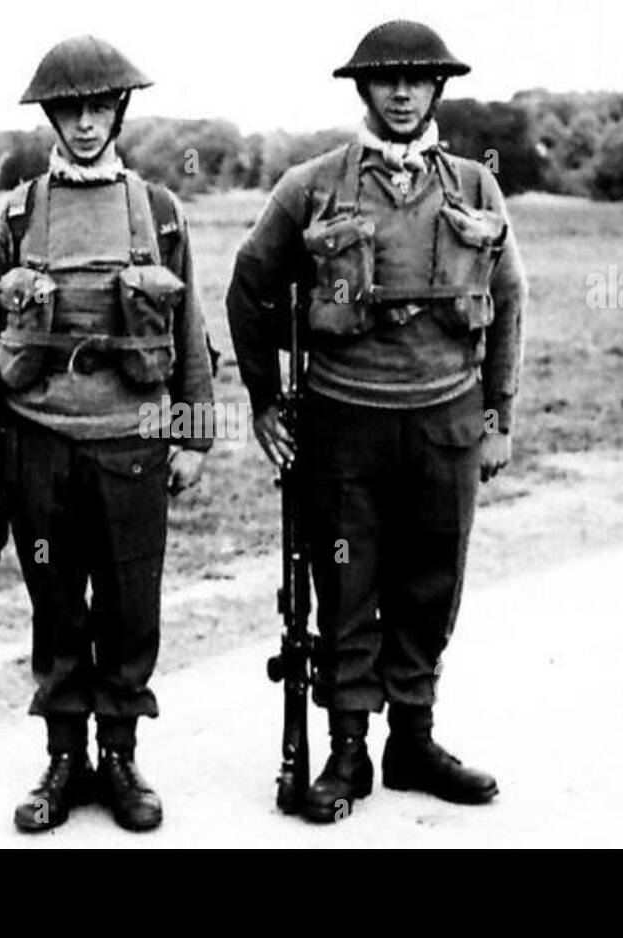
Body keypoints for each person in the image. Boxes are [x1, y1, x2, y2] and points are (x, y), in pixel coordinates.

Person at [227, 20, 527, 823]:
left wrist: (499, 413)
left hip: (446, 423)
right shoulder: (312, 185)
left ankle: (413, 740)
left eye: (418, 79)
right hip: (342, 426)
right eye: (387, 79)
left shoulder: (475, 187)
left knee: (431, 586)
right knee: (347, 586)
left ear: (438, 90)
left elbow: (511, 300)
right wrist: (263, 401)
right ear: (362, 90)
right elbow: (249, 287)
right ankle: (348, 748)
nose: (402, 92)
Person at [0, 35, 215, 833]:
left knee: (132, 609)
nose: (86, 123)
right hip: (37, 443)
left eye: (99, 107)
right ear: (51, 118)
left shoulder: (160, 212)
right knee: (57, 607)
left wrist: (195, 434)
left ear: (119, 112)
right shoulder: (18, 215)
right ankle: (64, 759)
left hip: (134, 444)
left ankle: (121, 757)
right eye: (70, 109)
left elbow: (191, 327)